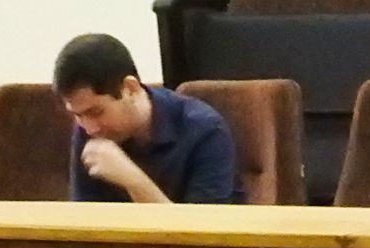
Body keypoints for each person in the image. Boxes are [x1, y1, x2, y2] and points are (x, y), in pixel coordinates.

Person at [53, 33, 238, 205]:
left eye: (97, 112)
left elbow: (201, 228)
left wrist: (133, 180)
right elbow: (86, 221)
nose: (90, 128)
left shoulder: (206, 130)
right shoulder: (89, 130)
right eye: (78, 115)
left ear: (130, 88)